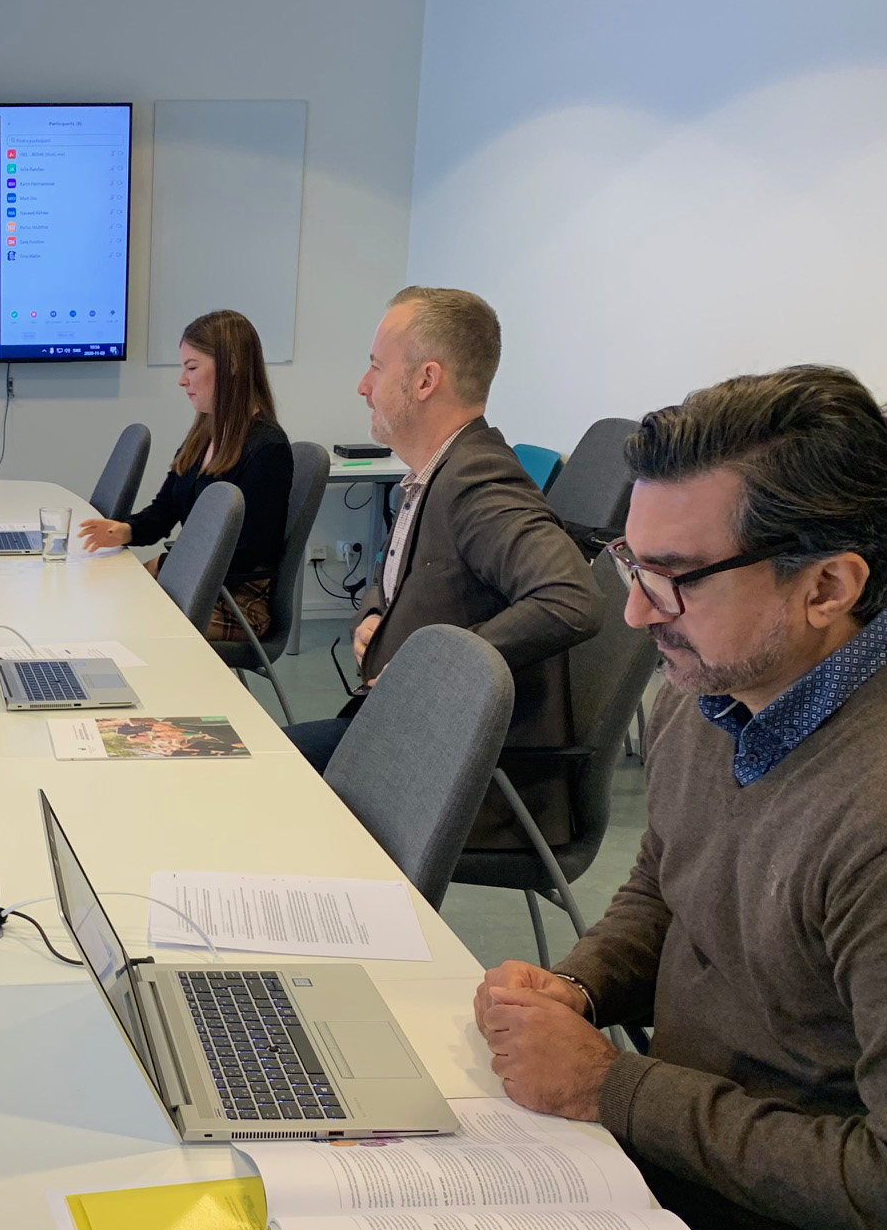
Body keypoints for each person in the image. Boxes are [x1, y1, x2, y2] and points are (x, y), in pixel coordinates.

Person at [473, 366, 887, 1230]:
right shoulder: (715, 692)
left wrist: (612, 1086)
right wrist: (580, 990)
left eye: (675, 579)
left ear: (829, 586)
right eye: (632, 565)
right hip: (679, 1165)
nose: (635, 614)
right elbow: (664, 895)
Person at [282, 287, 602, 848]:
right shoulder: (438, 470)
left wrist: (430, 666)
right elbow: (402, 574)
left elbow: (570, 599)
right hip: (412, 739)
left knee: (251, 775)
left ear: (426, 380)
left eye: (377, 368)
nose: (363, 386)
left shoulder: (479, 481)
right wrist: (377, 615)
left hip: (459, 773)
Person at [77, 309, 291, 641]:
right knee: (103, 603)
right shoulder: (203, 435)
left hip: (238, 601)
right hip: (195, 579)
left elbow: (249, 551)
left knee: (121, 623)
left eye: (192, 367)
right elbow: (165, 511)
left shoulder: (267, 449)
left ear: (232, 365)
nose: (182, 379)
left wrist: (169, 564)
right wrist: (125, 530)